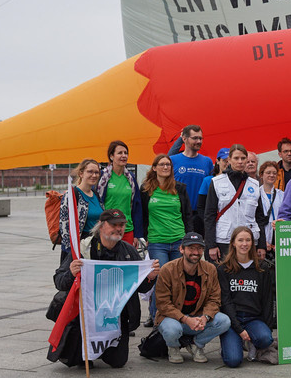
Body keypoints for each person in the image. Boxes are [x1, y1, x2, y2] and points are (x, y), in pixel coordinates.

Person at [51, 210, 158, 368]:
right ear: (101, 227)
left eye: (121, 225)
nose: (118, 229)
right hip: (85, 315)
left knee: (118, 362)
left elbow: (141, 288)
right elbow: (59, 281)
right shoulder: (83, 249)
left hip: (116, 317)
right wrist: (71, 273)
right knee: (78, 360)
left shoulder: (129, 252)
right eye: (114, 225)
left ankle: (105, 348)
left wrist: (150, 277)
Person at [155, 232, 232, 363]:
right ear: (181, 249)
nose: (196, 252)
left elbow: (214, 299)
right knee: (172, 330)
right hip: (174, 319)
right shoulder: (167, 269)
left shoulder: (210, 269)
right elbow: (163, 303)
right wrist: (185, 319)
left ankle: (197, 344)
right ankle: (173, 347)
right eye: (191, 248)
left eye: (199, 248)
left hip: (198, 318)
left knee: (224, 321)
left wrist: (205, 317)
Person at [140, 154, 191, 325]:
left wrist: (188, 239)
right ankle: (156, 319)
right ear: (154, 168)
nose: (165, 167)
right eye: (161, 164)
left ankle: (176, 317)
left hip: (178, 240)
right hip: (157, 242)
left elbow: (187, 214)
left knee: (177, 281)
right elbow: (143, 215)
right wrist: (145, 236)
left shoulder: (180, 188)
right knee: (160, 280)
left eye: (168, 164)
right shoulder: (146, 189)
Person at [217, 226, 277, 366]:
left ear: (252, 243)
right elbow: (225, 302)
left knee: (265, 339)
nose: (244, 244)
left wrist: (268, 328)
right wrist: (239, 329)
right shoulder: (223, 269)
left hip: (253, 318)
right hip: (232, 321)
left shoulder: (262, 268)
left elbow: (268, 300)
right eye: (240, 240)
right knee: (233, 361)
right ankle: (231, 344)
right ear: (233, 243)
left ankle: (252, 341)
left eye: (248, 240)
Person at [203, 144, 267, 263]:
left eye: (243, 158)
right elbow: (209, 216)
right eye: (236, 158)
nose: (240, 161)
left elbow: (260, 217)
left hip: (249, 240)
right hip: (224, 239)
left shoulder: (254, 184)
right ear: (229, 160)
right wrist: (211, 244)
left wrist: (262, 245)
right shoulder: (216, 182)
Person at [97, 141, 144, 245]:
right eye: (120, 153)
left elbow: (137, 207)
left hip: (127, 229)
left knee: (127, 260)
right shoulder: (102, 177)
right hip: (107, 229)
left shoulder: (131, 178)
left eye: (125, 153)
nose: (124, 156)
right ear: (111, 156)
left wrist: (137, 234)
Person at [170, 125, 213, 230]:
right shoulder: (172, 160)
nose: (198, 141)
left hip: (199, 215)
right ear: (184, 139)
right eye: (194, 138)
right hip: (178, 215)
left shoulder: (207, 161)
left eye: (200, 138)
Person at [59, 159, 104, 261]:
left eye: (96, 172)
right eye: (90, 172)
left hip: (94, 247)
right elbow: (64, 225)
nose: (94, 175)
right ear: (81, 173)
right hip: (78, 249)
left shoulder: (96, 194)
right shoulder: (72, 195)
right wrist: (73, 252)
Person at [194, 148, 231, 235]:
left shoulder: (237, 181)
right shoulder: (208, 181)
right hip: (213, 225)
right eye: (225, 161)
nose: (228, 163)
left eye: (230, 160)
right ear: (217, 161)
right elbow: (201, 206)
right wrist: (209, 224)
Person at [257, 161, 286, 256]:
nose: (271, 175)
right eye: (268, 173)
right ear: (261, 175)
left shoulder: (282, 194)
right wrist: (262, 242)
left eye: (274, 173)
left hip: (278, 235)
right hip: (262, 234)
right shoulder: (256, 194)